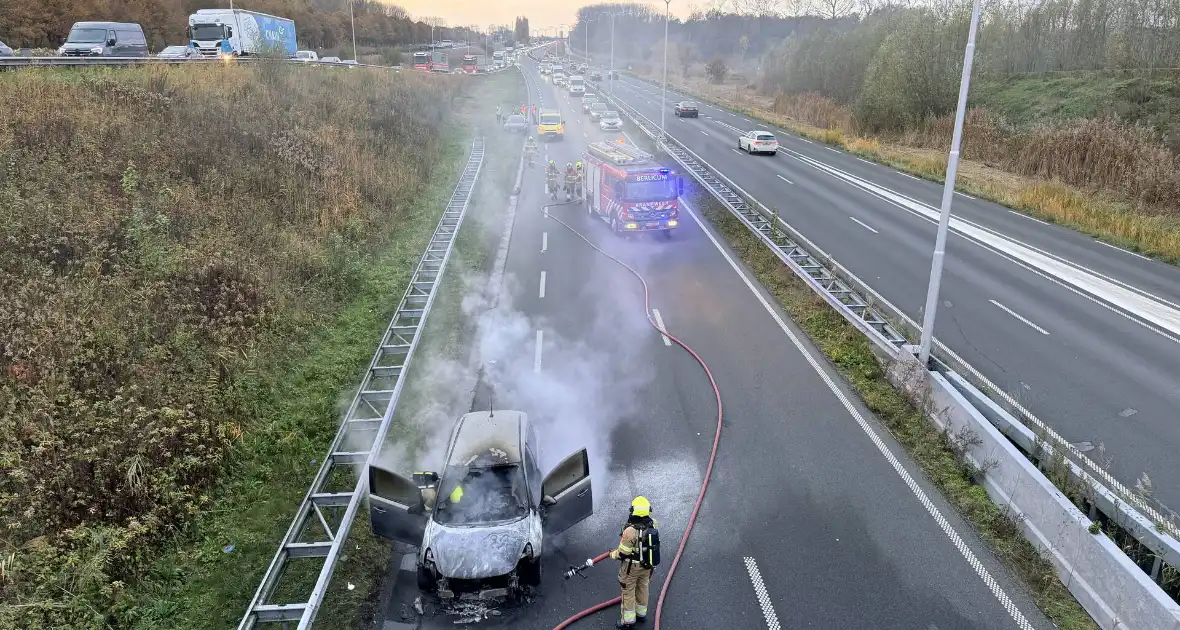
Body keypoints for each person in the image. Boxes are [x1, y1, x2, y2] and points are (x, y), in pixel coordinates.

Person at [610, 496, 656, 628]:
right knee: (643, 587)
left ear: (633, 511)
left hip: (631, 568)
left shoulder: (630, 531)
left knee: (628, 591)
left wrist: (611, 554)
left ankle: (628, 622)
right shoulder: (653, 524)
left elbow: (622, 553)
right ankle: (641, 614)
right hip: (647, 565)